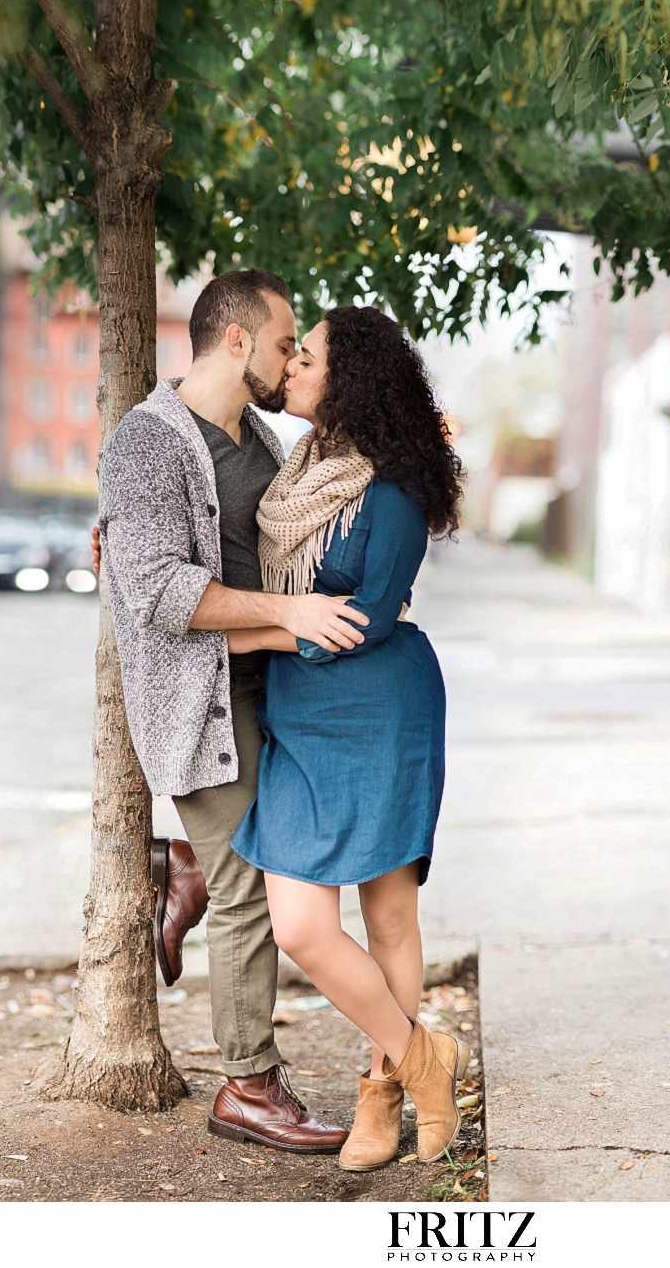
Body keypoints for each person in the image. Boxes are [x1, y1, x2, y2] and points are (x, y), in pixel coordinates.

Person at [97, 268, 369, 1155]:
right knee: (252, 884)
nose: (295, 361)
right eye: (287, 343)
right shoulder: (146, 443)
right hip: (198, 706)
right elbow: (156, 591)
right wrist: (288, 614)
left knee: (273, 864)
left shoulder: (260, 437)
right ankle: (247, 1085)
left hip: (269, 688)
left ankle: (185, 868)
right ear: (238, 340)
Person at [222, 305, 467, 1172]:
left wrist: (241, 632)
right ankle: (424, 1055)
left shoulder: (392, 488)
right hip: (300, 719)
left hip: (378, 711)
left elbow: (362, 621)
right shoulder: (293, 473)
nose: (291, 367)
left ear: (349, 380)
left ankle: (382, 1096)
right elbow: (263, 587)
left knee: (390, 916)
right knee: (300, 926)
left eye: (308, 357)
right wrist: (274, 619)